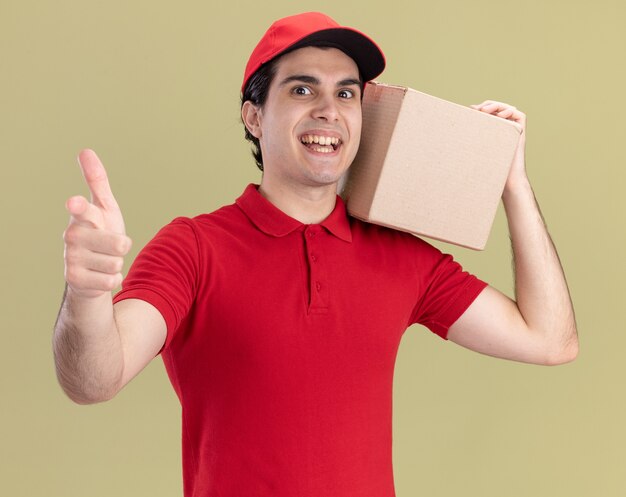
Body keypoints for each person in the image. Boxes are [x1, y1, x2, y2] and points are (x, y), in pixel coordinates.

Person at [53, 11, 578, 497]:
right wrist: (87, 294)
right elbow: (94, 381)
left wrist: (512, 182)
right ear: (254, 117)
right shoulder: (192, 247)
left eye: (346, 94)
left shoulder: (403, 257)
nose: (328, 110)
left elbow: (551, 340)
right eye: (303, 89)